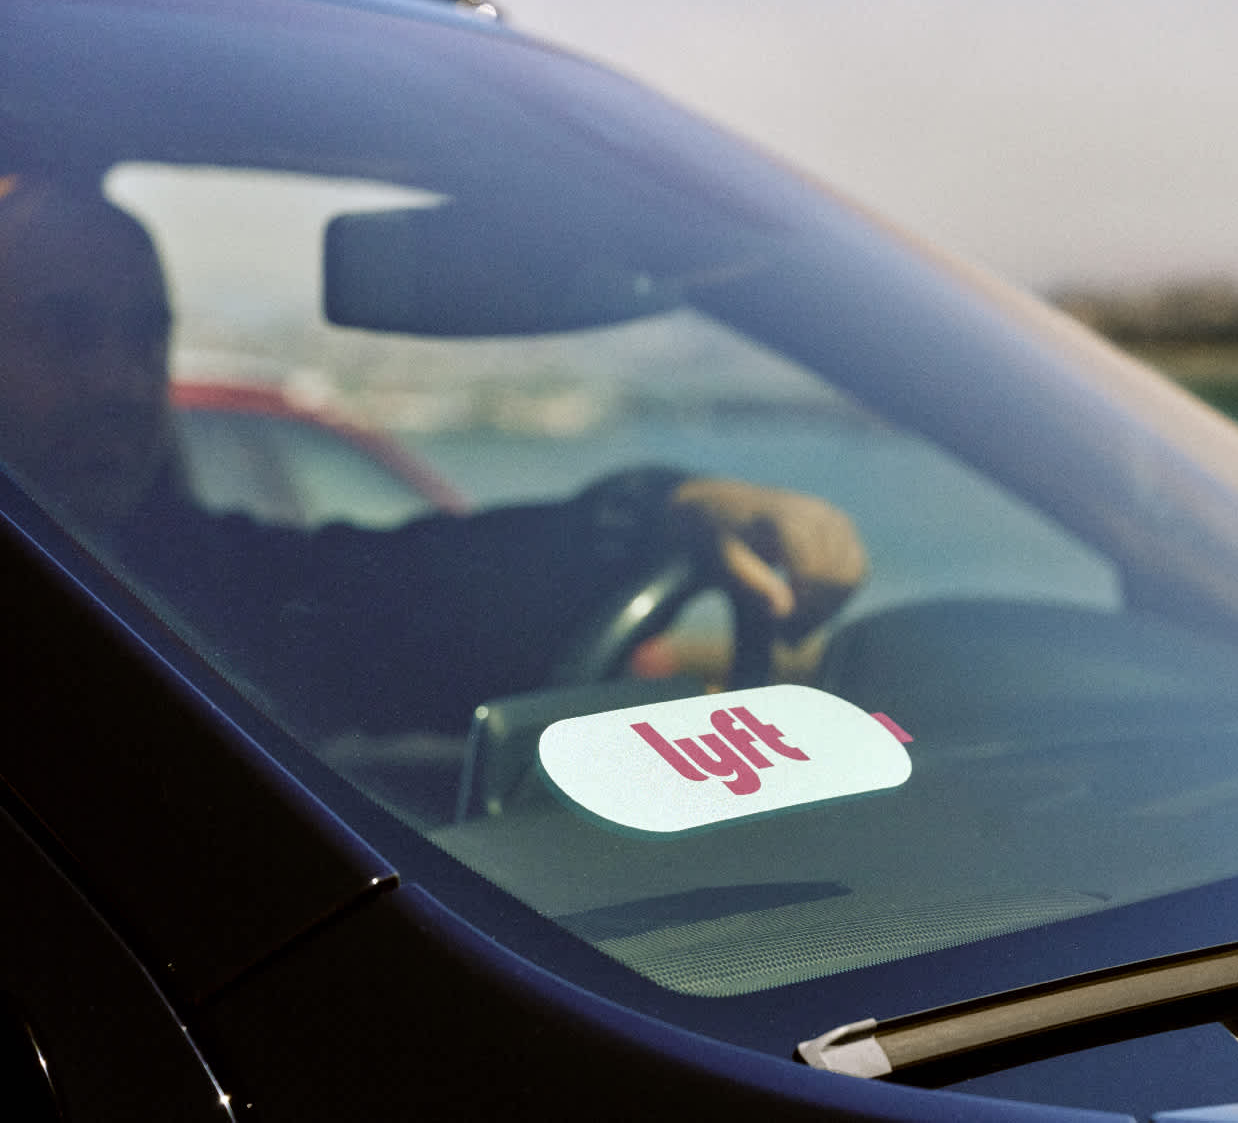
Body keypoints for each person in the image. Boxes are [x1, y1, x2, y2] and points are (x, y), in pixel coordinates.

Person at [0, 169, 868, 735]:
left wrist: (655, 515)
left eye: (148, 339)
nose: (123, 381)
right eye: (66, 333)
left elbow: (388, 595)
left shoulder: (173, 576)